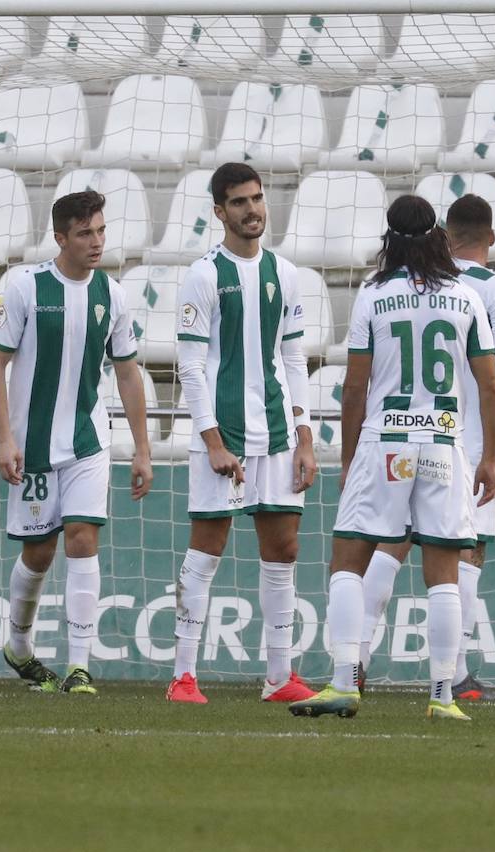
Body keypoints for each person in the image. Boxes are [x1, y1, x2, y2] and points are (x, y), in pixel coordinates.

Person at [292, 194, 495, 722]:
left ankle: (344, 682)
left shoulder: (373, 295)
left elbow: (355, 388)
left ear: (390, 239)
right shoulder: (465, 296)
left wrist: (348, 457)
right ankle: (442, 696)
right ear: (437, 236)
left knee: (347, 561)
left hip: (385, 442)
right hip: (443, 443)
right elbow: (491, 384)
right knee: (444, 574)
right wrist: (491, 456)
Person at [356, 194, 495, 702]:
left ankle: (352, 663)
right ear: (491, 238)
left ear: (446, 236)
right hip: (464, 443)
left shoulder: (400, 286)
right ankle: (453, 678)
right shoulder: (488, 289)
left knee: (390, 545)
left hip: (399, 432)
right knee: (463, 554)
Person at [0, 191, 154, 695]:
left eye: (101, 231)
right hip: (32, 444)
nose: (96, 242)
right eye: (85, 233)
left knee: (83, 536)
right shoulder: (25, 287)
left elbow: (127, 374)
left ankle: (79, 666)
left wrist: (142, 448)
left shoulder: (113, 295)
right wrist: (4, 439)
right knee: (39, 552)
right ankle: (18, 644)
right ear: (60, 238)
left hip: (87, 440)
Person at [165, 163, 318, 705]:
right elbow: (190, 366)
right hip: (223, 435)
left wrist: (304, 434)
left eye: (257, 199)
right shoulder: (204, 275)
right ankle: (183, 675)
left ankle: (279, 676)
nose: (252, 210)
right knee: (207, 550)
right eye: (239, 202)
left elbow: (293, 355)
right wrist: (211, 442)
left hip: (276, 430)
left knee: (284, 549)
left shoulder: (286, 273)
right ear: (218, 211)